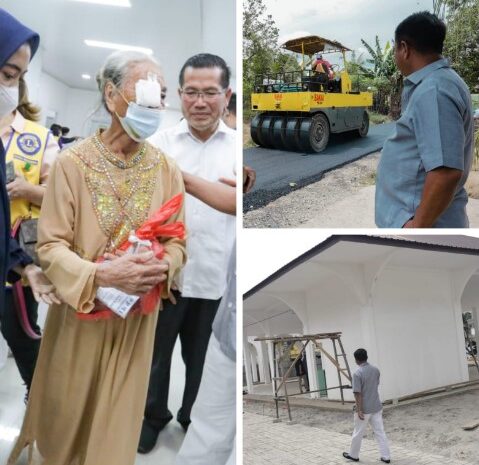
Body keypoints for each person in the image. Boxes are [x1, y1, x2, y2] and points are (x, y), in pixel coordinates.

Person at [8, 49, 186, 465]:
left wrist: (163, 265)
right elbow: (50, 246)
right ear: (111, 95)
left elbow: (178, 243)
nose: (156, 106)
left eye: (160, 96)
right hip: (78, 319)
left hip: (136, 325)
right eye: (145, 93)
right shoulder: (73, 164)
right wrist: (104, 276)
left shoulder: (167, 170)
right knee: (65, 418)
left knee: (116, 423)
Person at [140, 53, 235, 453]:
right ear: (179, 95)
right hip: (165, 278)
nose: (200, 102)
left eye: (210, 92)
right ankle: (152, 416)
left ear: (226, 95)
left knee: (202, 364)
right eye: (192, 92)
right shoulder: (156, 146)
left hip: (215, 279)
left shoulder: (236, 150)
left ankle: (190, 418)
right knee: (154, 359)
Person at [0, 7, 60, 365]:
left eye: (14, 77)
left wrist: (28, 191)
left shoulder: (38, 139)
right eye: (8, 73)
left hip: (17, 261)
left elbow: (63, 198)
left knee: (24, 341)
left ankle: (33, 392)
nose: (9, 86)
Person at [375, 11, 473, 228]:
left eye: (395, 49)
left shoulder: (434, 91)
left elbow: (445, 173)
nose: (394, 56)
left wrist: (416, 229)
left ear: (404, 48)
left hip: (423, 228)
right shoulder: (440, 83)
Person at [343, 349, 390, 463]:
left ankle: (354, 455)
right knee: (380, 432)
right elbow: (376, 385)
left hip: (364, 409)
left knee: (358, 433)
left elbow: (357, 393)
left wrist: (359, 410)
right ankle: (386, 456)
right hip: (376, 406)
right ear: (366, 357)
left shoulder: (357, 373)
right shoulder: (375, 370)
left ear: (356, 359)